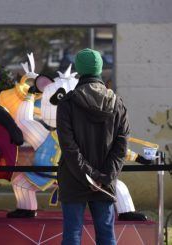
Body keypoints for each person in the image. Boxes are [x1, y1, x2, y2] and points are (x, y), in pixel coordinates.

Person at [56, 48, 130, 245]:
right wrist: (104, 176)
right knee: (106, 235)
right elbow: (121, 146)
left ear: (79, 69)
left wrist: (88, 175)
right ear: (100, 68)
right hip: (105, 181)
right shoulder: (118, 104)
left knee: (72, 235)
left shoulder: (67, 103)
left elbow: (68, 147)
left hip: (73, 178)